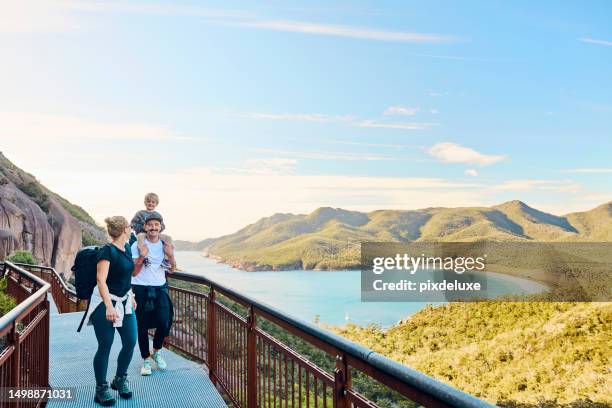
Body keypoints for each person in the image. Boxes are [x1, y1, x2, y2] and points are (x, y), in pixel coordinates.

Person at [81, 216, 137, 406]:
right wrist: (109, 306)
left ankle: (119, 379)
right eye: (129, 227)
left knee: (130, 341)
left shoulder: (127, 248)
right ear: (124, 229)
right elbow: (101, 280)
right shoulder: (107, 251)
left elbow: (126, 277)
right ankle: (101, 389)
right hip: (105, 302)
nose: (131, 229)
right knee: (105, 346)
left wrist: (132, 296)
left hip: (124, 300)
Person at [131, 212, 174, 376]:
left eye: (156, 225)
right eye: (150, 225)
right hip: (140, 289)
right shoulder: (137, 245)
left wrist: (170, 255)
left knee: (164, 322)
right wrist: (142, 256)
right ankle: (146, 360)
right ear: (145, 227)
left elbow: (172, 268)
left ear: (160, 227)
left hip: (160, 288)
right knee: (141, 326)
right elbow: (134, 273)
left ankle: (156, 351)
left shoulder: (166, 245)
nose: (153, 227)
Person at [130, 192, 178, 271]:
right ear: (145, 202)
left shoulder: (158, 215)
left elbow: (162, 226)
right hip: (142, 233)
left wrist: (155, 230)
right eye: (148, 201)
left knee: (168, 238)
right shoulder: (140, 213)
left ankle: (165, 260)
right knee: (140, 240)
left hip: (155, 233)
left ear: (156, 204)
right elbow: (133, 223)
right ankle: (145, 259)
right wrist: (144, 228)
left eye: (153, 202)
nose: (150, 203)